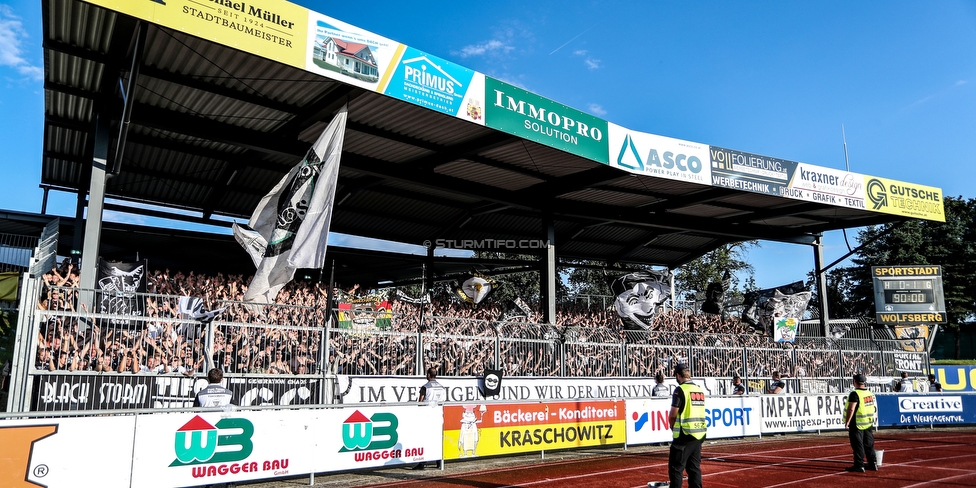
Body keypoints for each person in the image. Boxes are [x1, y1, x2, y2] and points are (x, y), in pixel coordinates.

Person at [668, 363, 706, 488]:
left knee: (676, 468)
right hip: (699, 433)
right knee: (694, 468)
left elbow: (673, 414)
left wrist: (672, 427)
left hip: (684, 435)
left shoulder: (680, 390)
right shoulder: (699, 389)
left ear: (678, 375)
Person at [844, 373, 878, 472]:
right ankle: (873, 463)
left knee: (858, 445)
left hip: (857, 423)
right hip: (868, 422)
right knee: (869, 445)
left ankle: (859, 465)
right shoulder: (869, 393)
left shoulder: (855, 394)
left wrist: (847, 422)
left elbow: (851, 409)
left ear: (855, 382)